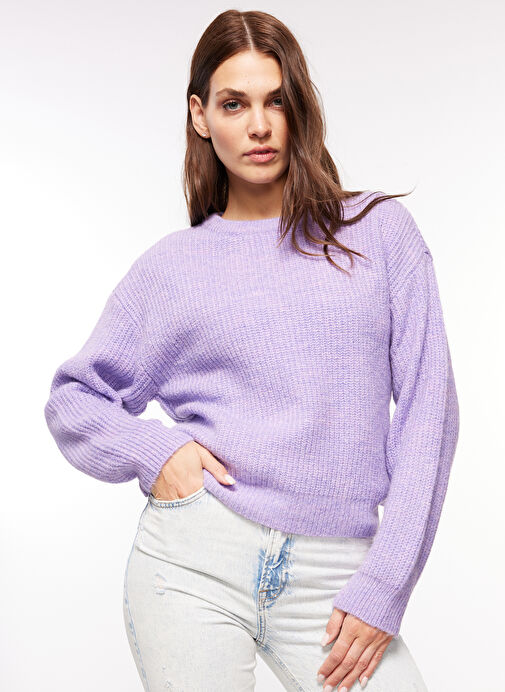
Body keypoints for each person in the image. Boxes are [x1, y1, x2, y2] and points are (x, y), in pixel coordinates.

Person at [43, 9, 459, 692]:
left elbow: (428, 415)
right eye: (234, 104)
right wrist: (158, 452)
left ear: (300, 109)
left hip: (338, 575)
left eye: (276, 101)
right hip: (194, 563)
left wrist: (386, 582)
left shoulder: (379, 234)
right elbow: (74, 398)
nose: (259, 125)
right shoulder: (173, 268)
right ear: (201, 116)